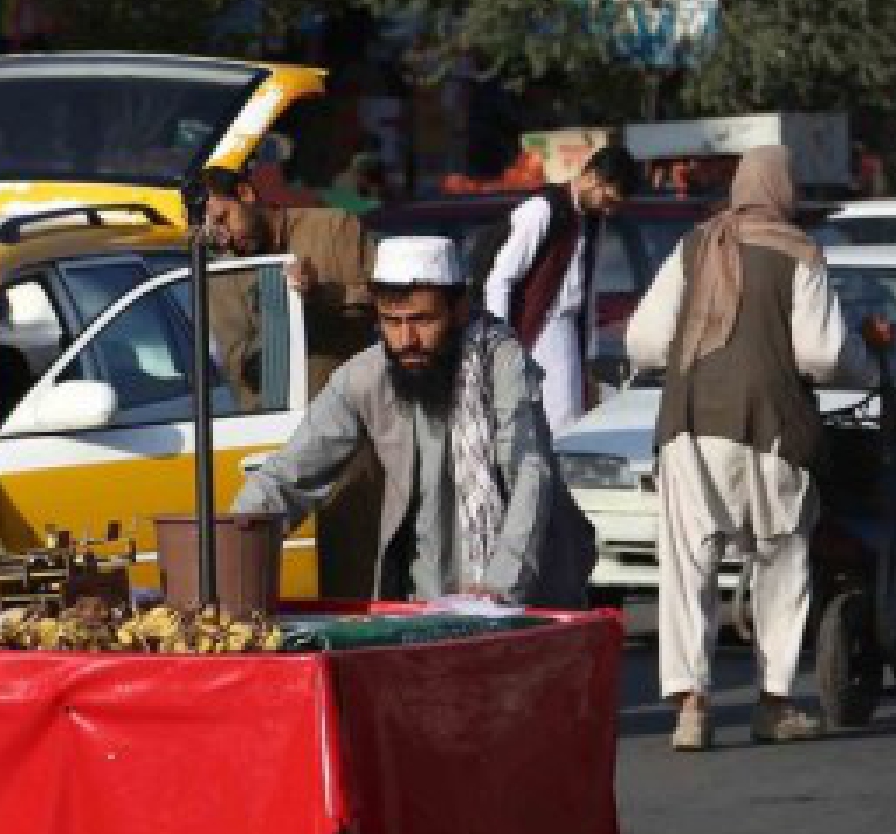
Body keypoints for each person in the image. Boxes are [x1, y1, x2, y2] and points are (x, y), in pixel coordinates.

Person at [625, 146, 889, 752]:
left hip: (689, 426)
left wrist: (706, 355)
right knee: (781, 563)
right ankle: (774, 703)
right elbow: (821, 355)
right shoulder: (799, 252)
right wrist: (867, 367)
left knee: (688, 567)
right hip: (774, 429)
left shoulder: (695, 246)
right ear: (784, 191)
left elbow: (642, 340)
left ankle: (691, 708)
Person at [234, 236, 594, 607]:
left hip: (530, 598)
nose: (406, 339)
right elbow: (289, 475)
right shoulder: (364, 378)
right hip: (424, 600)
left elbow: (529, 470)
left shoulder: (501, 361)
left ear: (459, 309)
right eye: (392, 322)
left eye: (422, 320)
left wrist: (502, 584)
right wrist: (230, 543)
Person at [203, 165, 383, 597]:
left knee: (353, 564)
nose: (222, 236)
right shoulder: (225, 274)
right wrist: (274, 318)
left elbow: (389, 299)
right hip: (278, 439)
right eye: (211, 228)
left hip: (353, 434)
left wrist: (323, 295)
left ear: (247, 194)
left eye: (223, 218)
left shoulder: (334, 228)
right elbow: (236, 361)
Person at [482, 144, 642, 438]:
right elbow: (500, 280)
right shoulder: (542, 210)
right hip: (534, 330)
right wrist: (499, 346)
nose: (609, 209)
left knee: (567, 422)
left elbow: (589, 291)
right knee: (550, 426)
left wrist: (590, 357)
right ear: (592, 178)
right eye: (608, 199)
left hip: (568, 330)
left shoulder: (594, 221)